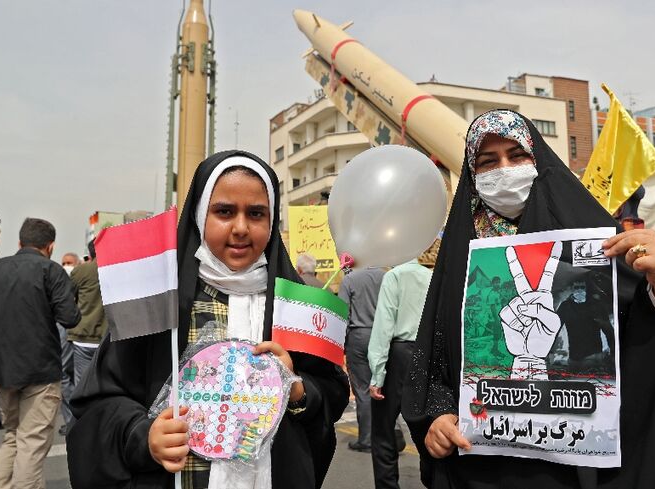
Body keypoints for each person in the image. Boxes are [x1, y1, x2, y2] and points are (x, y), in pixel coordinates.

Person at [403, 109, 655, 488]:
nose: (504, 170)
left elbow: (644, 334)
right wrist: (436, 418)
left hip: (573, 470)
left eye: (517, 155)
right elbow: (435, 357)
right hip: (482, 468)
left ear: (539, 160)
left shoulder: (590, 238)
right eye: (487, 161)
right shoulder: (463, 253)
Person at [67, 151, 349, 488]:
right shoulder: (160, 300)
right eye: (225, 212)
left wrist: (298, 390)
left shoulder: (298, 306)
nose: (241, 228)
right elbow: (99, 402)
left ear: (272, 222)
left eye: (256, 214)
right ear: (201, 216)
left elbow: (331, 394)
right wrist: (145, 436)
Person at [0, 217, 81, 489]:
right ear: (50, 246)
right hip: (41, 372)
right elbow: (70, 318)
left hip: (3, 371)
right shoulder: (50, 271)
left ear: (19, 242)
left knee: (13, 436)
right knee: (32, 442)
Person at [367, 258, 432, 489]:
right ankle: (434, 479)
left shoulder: (393, 276)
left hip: (399, 354)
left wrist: (377, 374)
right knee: (426, 426)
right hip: (426, 353)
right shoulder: (430, 276)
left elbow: (384, 326)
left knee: (383, 430)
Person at [338, 264, 386, 452]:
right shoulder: (385, 276)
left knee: (363, 389)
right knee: (382, 386)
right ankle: (387, 434)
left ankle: (366, 439)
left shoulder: (350, 279)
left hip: (358, 337)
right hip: (382, 336)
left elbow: (342, 312)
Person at [67, 240, 107, 387]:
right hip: (107, 338)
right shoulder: (118, 269)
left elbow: (69, 299)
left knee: (82, 386)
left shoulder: (80, 271)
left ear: (90, 253)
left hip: (83, 337)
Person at [556, 278, 615, 375]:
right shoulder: (566, 306)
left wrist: (613, 353)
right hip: (574, 357)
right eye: (576, 287)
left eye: (582, 287)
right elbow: (554, 329)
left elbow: (608, 330)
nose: (579, 290)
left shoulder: (596, 306)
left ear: (587, 289)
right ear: (572, 289)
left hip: (593, 355)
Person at [58, 251, 82, 435]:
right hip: (65, 331)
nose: (67, 265)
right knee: (65, 374)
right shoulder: (58, 278)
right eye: (64, 262)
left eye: (70, 262)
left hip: (82, 335)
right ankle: (70, 420)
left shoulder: (80, 276)